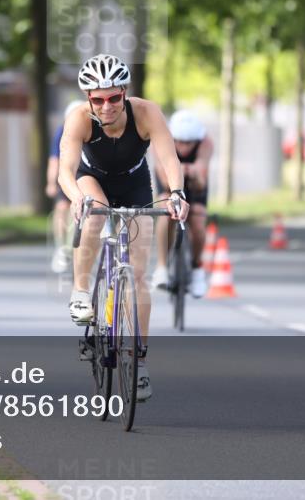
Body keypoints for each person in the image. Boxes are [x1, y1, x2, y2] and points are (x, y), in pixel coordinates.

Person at [57, 54, 189, 402]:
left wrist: (176, 194)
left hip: (134, 183)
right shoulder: (79, 119)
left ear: (124, 93)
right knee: (96, 214)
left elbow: (168, 158)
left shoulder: (147, 113)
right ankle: (82, 292)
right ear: (88, 98)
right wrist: (74, 198)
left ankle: (139, 362)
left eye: (114, 97)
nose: (107, 106)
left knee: (139, 274)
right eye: (97, 99)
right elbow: (65, 172)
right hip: (92, 180)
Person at [152, 109, 212, 298]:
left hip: (194, 183)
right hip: (169, 182)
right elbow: (162, 172)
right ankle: (161, 266)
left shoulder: (206, 143)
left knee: (198, 217)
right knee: (165, 211)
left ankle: (196, 267)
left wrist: (194, 173)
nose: (184, 147)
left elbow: (202, 175)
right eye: (179, 141)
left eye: (189, 143)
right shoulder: (161, 139)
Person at [46, 101, 85, 273]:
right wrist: (51, 182)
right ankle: (61, 247)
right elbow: (54, 159)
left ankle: (73, 246)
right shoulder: (61, 132)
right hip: (67, 173)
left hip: (85, 174)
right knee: (61, 207)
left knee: (77, 207)